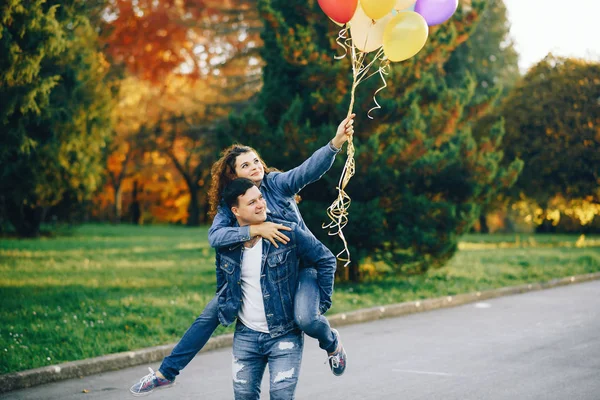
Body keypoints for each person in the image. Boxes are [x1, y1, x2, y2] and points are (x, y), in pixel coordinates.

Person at [130, 115, 354, 396]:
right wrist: (255, 231)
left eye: (256, 161)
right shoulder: (231, 206)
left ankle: (332, 344)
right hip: (262, 272)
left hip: (300, 267)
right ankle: (167, 373)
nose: (255, 167)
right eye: (245, 165)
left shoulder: (275, 185)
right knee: (207, 316)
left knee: (306, 318)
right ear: (234, 177)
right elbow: (216, 237)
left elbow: (306, 171)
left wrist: (335, 143)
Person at [219, 178, 337, 399]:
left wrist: (320, 303)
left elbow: (326, 260)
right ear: (236, 210)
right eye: (252, 202)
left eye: (261, 198)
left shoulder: (288, 232)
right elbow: (222, 283)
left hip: (285, 334)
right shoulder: (227, 245)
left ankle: (332, 342)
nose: (261, 204)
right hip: (246, 336)